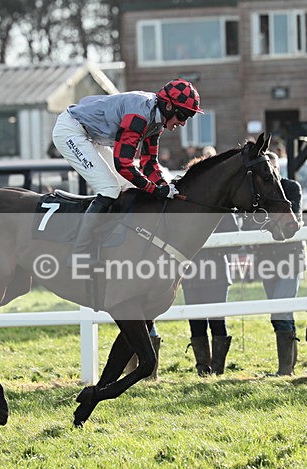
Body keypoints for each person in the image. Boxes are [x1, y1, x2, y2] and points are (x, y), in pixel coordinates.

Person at [51, 79, 203, 263]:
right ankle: (79, 252)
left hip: (92, 135)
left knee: (129, 186)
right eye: (184, 116)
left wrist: (165, 186)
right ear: (169, 106)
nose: (183, 123)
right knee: (109, 189)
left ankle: (114, 243)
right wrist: (155, 189)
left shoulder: (156, 120)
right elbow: (123, 164)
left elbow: (149, 163)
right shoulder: (139, 117)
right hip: (71, 131)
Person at [243, 151, 305, 375]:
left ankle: (285, 370)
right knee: (280, 311)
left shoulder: (290, 188)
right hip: (266, 260)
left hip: (290, 258)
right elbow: (248, 224)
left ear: (277, 168)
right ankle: (288, 366)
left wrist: (266, 224)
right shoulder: (257, 194)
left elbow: (292, 221)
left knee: (279, 310)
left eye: (273, 167)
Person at [184, 212, 239, 376]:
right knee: (196, 323)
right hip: (191, 273)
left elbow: (234, 240)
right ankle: (202, 369)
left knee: (217, 322)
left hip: (217, 274)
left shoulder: (223, 210)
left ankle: (217, 370)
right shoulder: (186, 209)